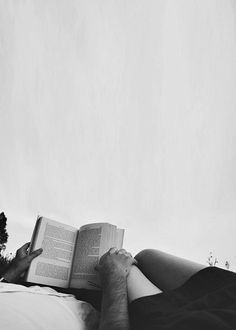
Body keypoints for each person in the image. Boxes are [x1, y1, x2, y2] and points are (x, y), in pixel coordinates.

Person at [97, 248, 236, 330]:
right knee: (146, 258)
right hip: (227, 306)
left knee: (129, 267)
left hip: (175, 323)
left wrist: (114, 277)